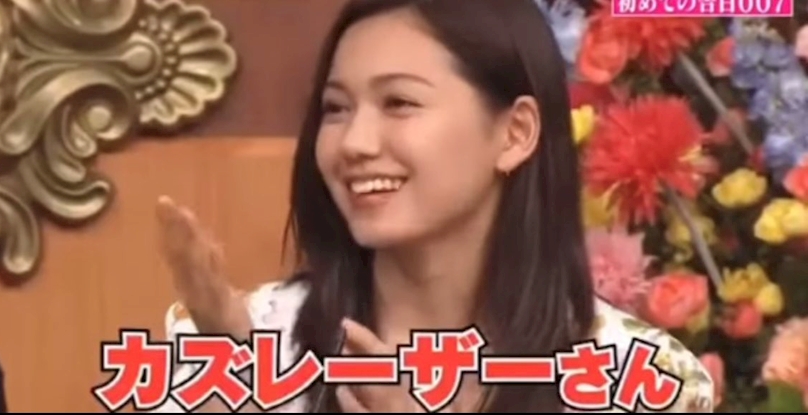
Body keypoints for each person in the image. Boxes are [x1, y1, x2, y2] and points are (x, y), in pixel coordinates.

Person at [150, 0, 714, 412]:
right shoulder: (242, 342)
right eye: (336, 108)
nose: (354, 143)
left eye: (399, 102)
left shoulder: (639, 379)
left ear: (515, 133)